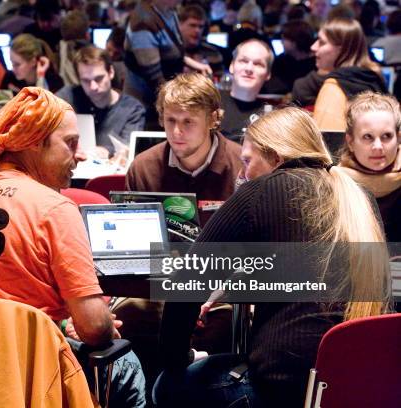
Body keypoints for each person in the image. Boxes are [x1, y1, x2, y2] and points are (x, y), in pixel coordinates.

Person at [153, 106, 391, 408]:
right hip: (360, 386)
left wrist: (178, 357)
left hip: (282, 391)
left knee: (169, 386)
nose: (242, 174)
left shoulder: (259, 192)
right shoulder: (360, 197)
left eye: (248, 161)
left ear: (276, 158)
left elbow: (186, 285)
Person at [0, 87, 146, 407]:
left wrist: (62, 322)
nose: (81, 154)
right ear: (33, 141)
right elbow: (95, 329)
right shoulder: (55, 208)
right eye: (70, 143)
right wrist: (94, 322)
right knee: (128, 365)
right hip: (32, 375)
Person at [126, 72, 242, 226]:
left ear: (212, 120)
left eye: (188, 121)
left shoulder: (244, 167)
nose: (176, 132)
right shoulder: (143, 168)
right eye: (170, 120)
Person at [124, 0, 207, 128]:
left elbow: (171, 51)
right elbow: (153, 76)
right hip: (146, 105)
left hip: (165, 100)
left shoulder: (170, 10)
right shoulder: (143, 21)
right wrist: (183, 100)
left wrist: (191, 63)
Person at [56, 46, 145, 156]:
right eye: (85, 81)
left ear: (111, 72)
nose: (93, 87)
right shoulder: (68, 96)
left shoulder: (132, 109)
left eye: (99, 79)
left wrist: (106, 151)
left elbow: (129, 148)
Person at [338, 92, 400, 243]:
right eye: (368, 137)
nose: (378, 147)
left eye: (386, 136)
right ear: (351, 142)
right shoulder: (335, 184)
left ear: (398, 139)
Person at [311, 18, 386, 131]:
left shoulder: (334, 87)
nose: (313, 47)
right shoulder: (375, 78)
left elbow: (327, 142)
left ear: (342, 49)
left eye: (321, 42)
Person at [220, 39, 272, 143]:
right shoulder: (210, 103)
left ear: (268, 74)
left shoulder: (271, 116)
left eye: (258, 64)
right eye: (243, 61)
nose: (249, 68)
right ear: (232, 66)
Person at [263, 20, 316, 95]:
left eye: (284, 39)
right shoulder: (281, 60)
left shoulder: (315, 63)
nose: (281, 42)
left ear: (295, 41)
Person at [178, 5, 224, 79]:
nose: (197, 30)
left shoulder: (212, 52)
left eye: (201, 27)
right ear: (179, 25)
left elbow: (220, 82)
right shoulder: (172, 53)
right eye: (192, 25)